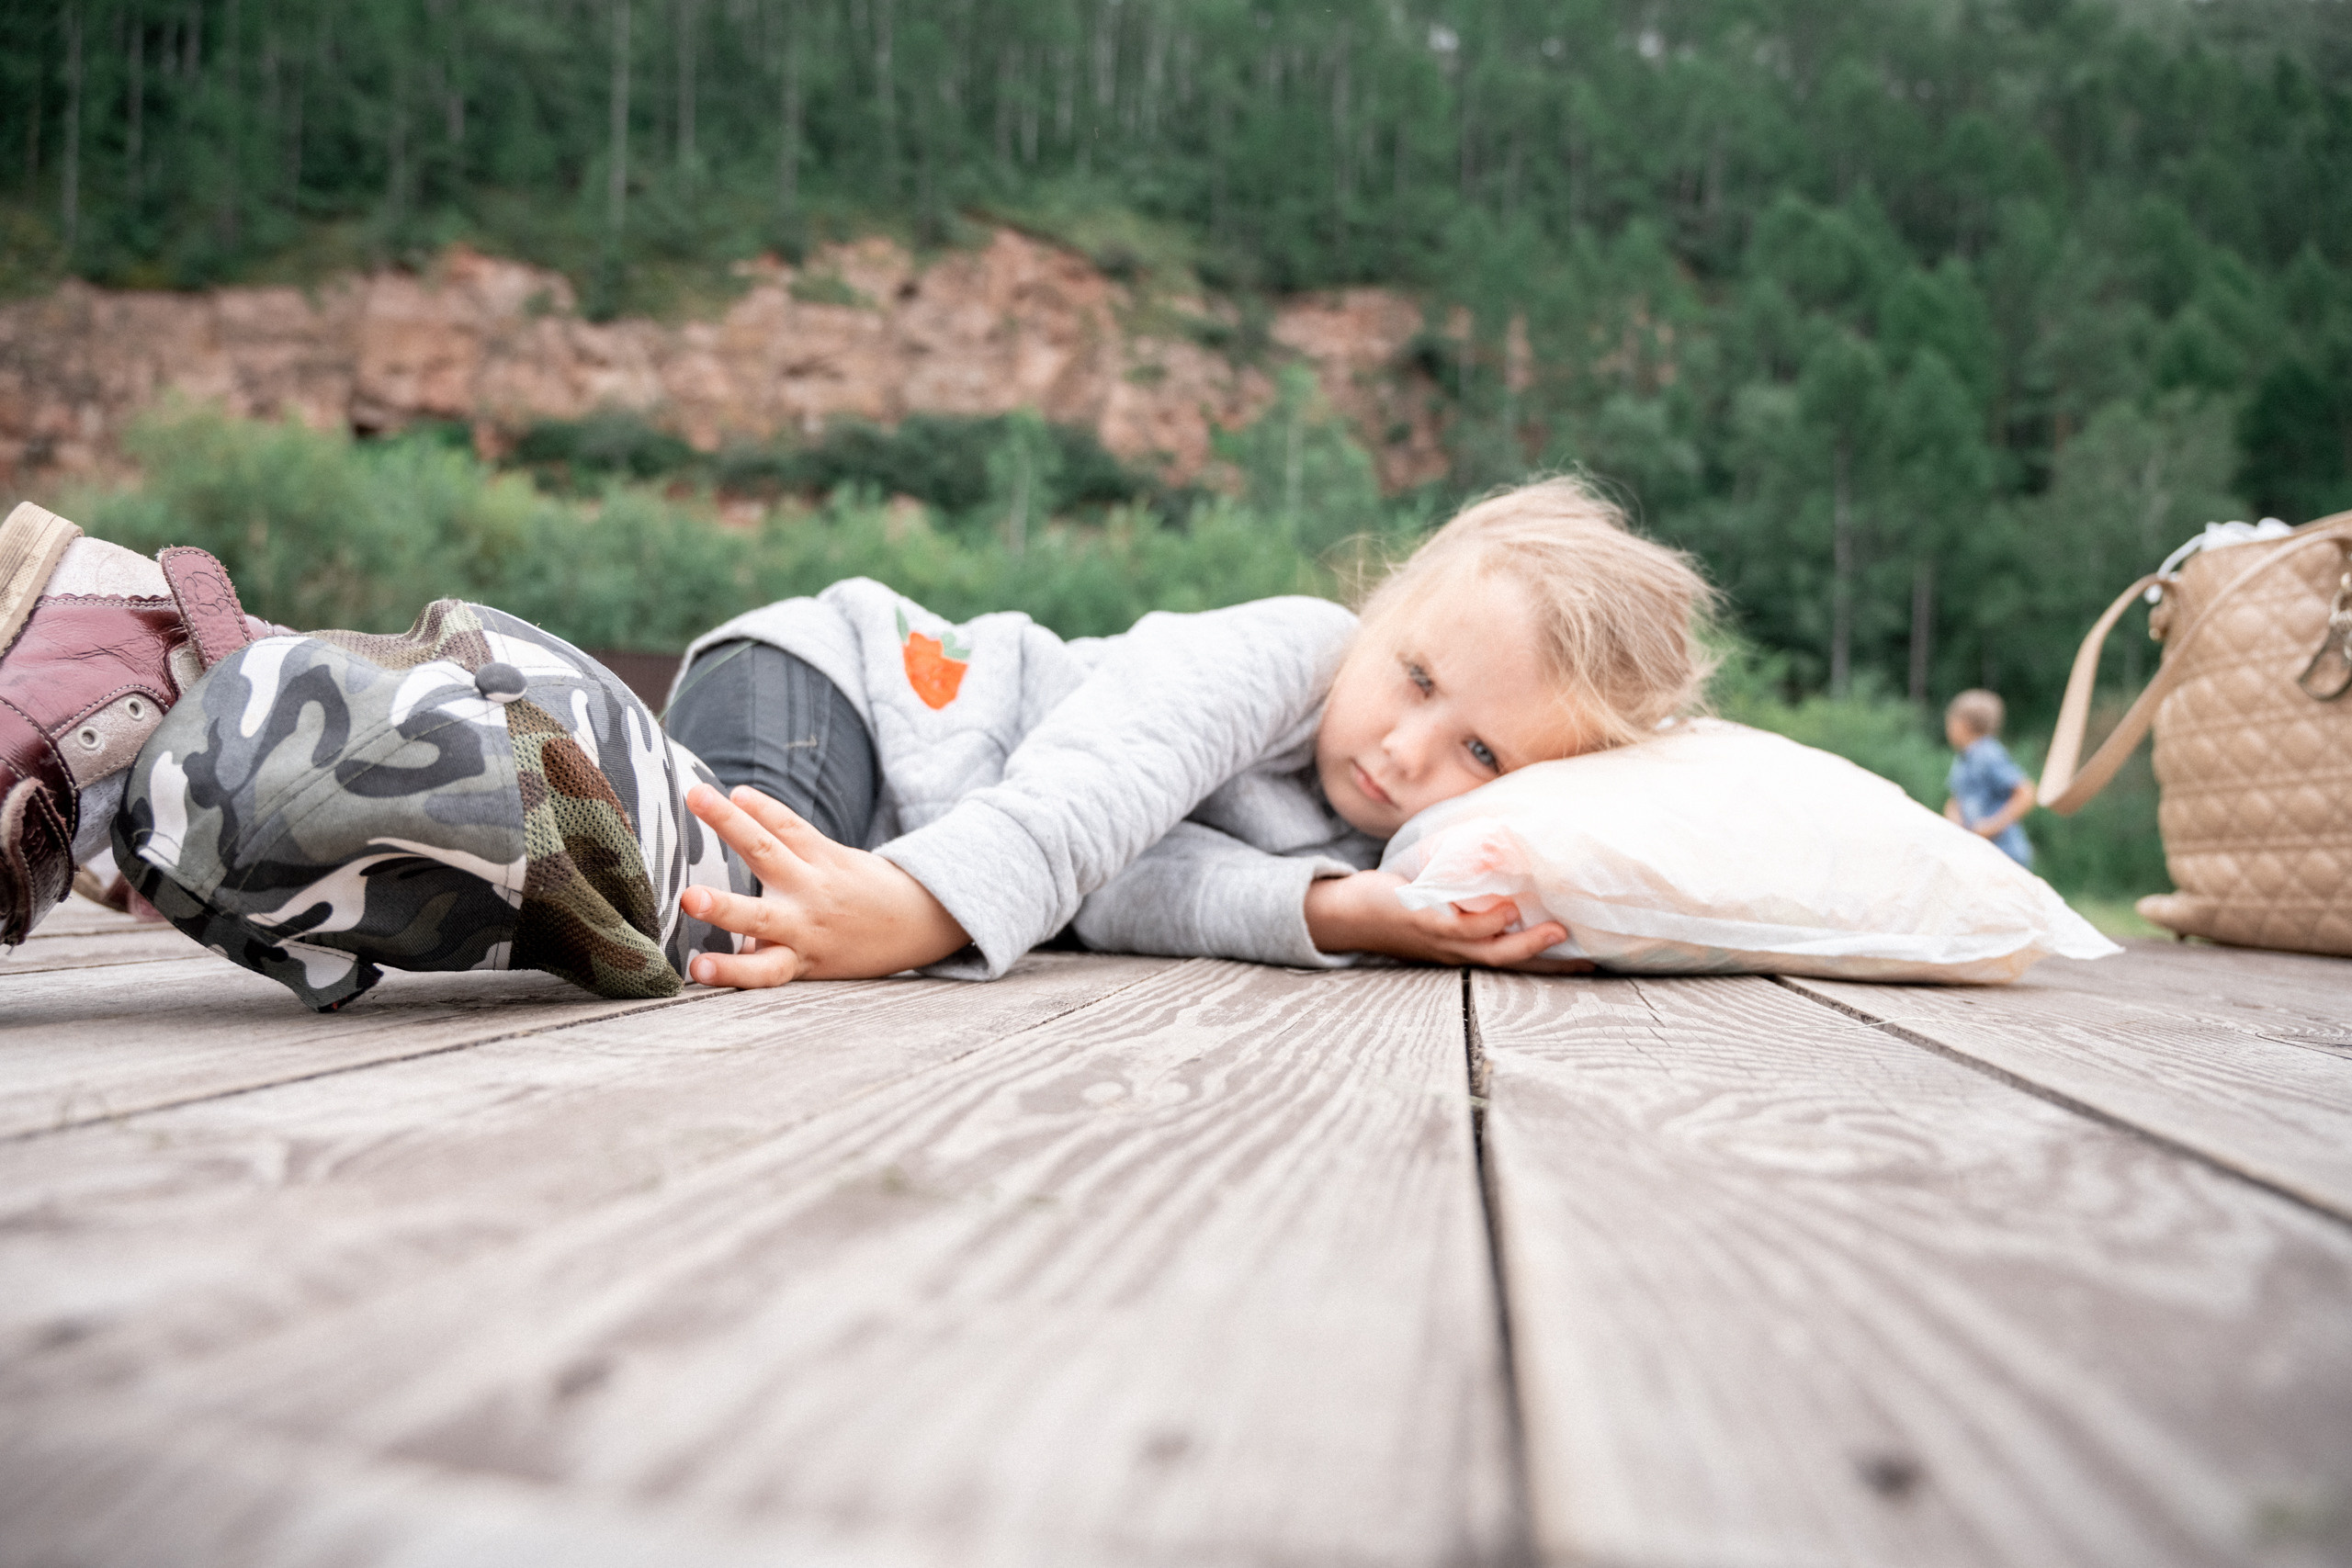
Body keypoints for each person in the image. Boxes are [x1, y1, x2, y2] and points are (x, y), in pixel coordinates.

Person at [0, 478, 1717, 1010]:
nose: (1414, 751)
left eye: (1487, 754)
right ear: (1381, 601)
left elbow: (1130, 888)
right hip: (839, 690)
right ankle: (172, 640)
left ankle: (137, 799)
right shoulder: (1279, 651)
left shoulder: (1374, 840)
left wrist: (1341, 913)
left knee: (591, 908)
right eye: (1417, 671)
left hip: (905, 824)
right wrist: (901, 909)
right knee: (680, 902)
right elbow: (1088, 803)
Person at [1942, 688, 2036, 867]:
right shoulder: (1963, 758)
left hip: (2005, 854)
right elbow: (1957, 799)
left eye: (1951, 722)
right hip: (1979, 853)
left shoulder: (1988, 754)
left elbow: (2026, 793)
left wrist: (1992, 826)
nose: (1948, 728)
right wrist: (1953, 819)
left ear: (1965, 724)